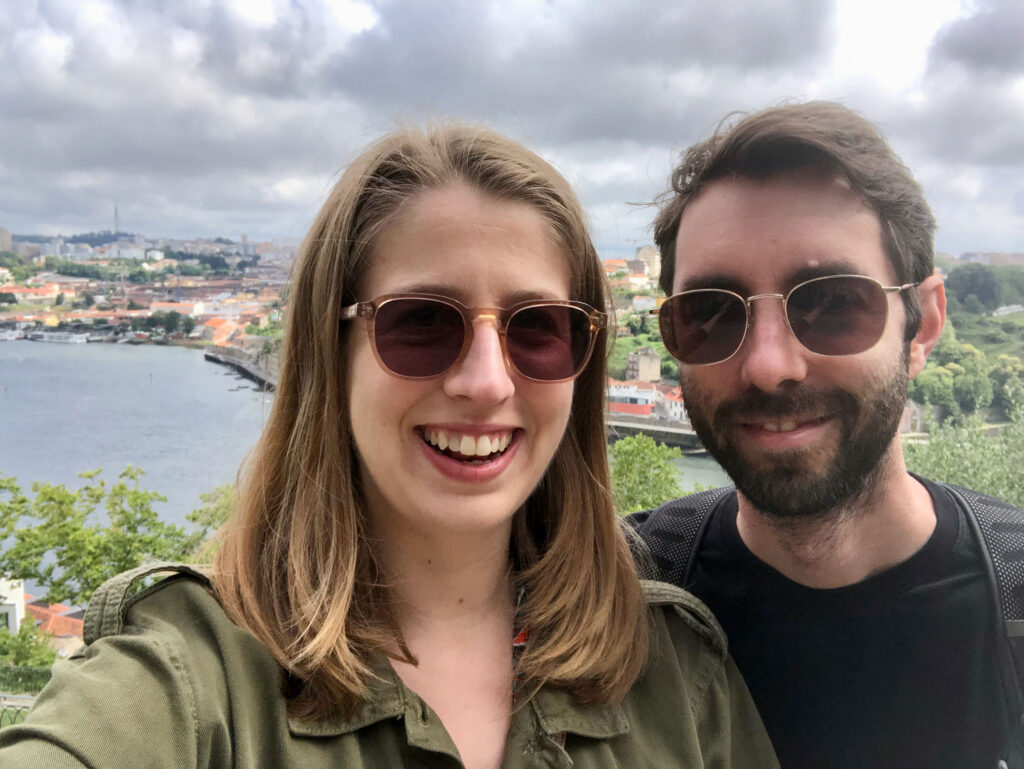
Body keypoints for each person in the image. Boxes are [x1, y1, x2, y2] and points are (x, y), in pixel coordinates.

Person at [0, 124, 777, 768]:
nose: (484, 381)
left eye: (537, 328)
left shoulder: (676, 672)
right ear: (329, 353)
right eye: (421, 322)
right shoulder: (195, 679)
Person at [631, 101, 1024, 769]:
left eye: (833, 302)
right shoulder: (625, 600)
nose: (768, 365)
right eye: (711, 314)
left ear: (922, 324)